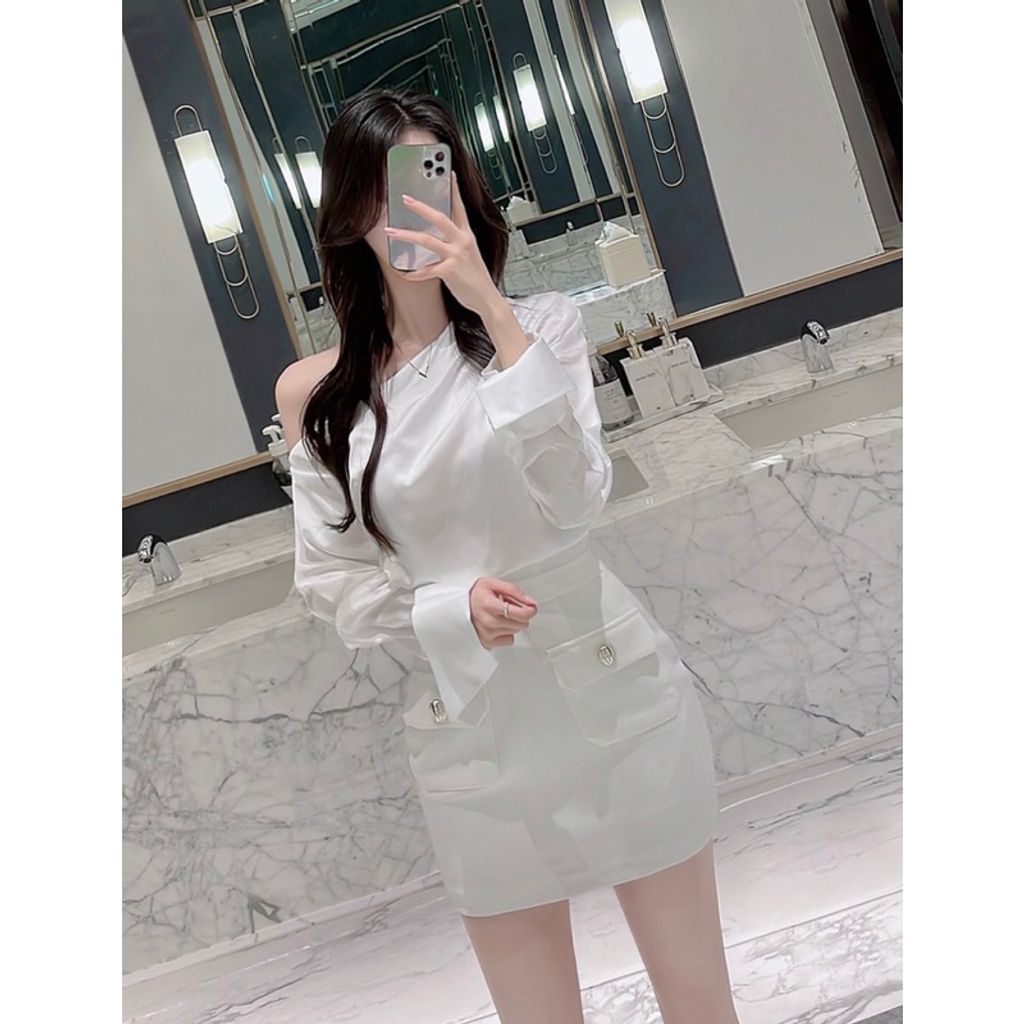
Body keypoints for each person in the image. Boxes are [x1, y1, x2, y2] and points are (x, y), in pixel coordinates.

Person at [275, 89, 742, 1024]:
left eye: (431, 176)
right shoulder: (316, 395)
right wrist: (446, 609)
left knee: (699, 1005)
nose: (415, 207)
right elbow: (331, 583)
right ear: (350, 211)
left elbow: (575, 499)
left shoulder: (542, 327)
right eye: (386, 188)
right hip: (472, 730)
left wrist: (488, 305)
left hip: (612, 693)